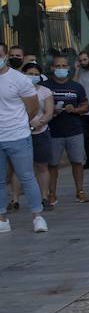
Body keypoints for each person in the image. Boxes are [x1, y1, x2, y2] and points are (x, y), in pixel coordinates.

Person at [0, 54, 45, 234]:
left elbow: (33, 107)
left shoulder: (19, 79)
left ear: (5, 56)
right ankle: (2, 218)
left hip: (18, 135)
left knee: (27, 177)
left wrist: (22, 122)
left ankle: (38, 216)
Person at [40, 54, 89, 204]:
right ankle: (52, 194)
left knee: (77, 162)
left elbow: (85, 106)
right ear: (52, 68)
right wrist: (50, 111)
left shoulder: (76, 87)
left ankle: (80, 191)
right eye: (57, 66)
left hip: (74, 131)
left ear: (68, 68)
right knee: (53, 165)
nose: (60, 69)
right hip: (53, 132)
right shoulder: (45, 87)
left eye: (63, 66)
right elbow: (39, 108)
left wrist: (74, 109)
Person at [19, 63, 54, 210]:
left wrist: (38, 124)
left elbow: (48, 112)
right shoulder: (18, 91)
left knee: (42, 165)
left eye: (35, 74)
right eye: (29, 73)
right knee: (19, 168)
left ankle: (44, 197)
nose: (32, 77)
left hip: (40, 131)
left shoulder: (45, 91)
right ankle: (15, 199)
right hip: (20, 132)